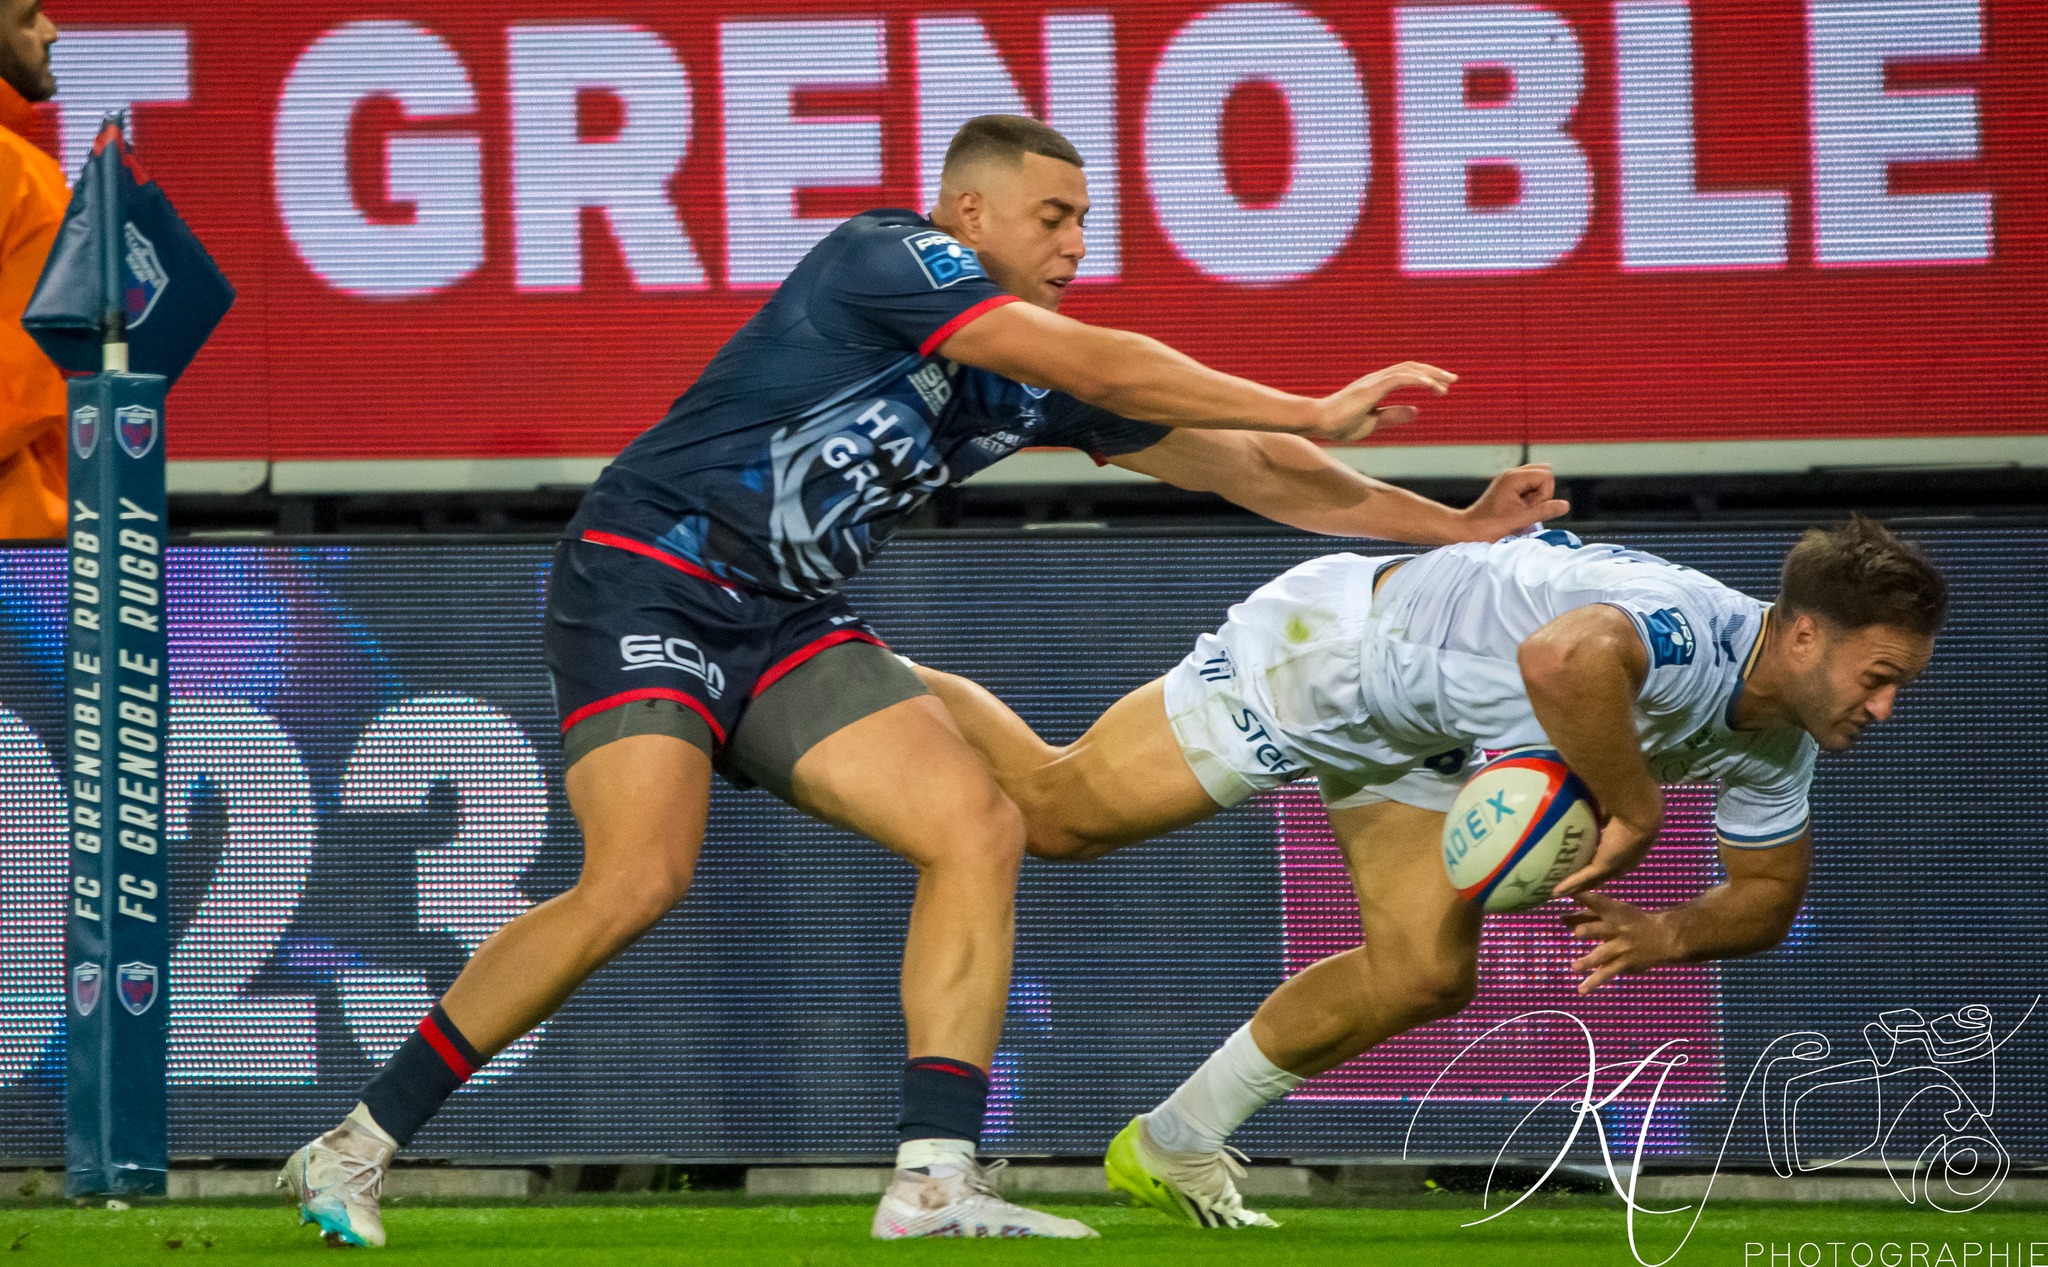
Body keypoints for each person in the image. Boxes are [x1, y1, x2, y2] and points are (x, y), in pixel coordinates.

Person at [281, 112, 1567, 1246]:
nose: (1074, 242)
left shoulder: (1022, 376)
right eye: (1052, 216)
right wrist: (1312, 402)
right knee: (638, 878)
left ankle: (932, 1178)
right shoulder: (888, 257)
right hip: (644, 578)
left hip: (785, 620)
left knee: (977, 828)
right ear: (969, 213)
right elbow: (1124, 372)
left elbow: (1244, 470)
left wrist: (1446, 525)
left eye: (1083, 221)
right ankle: (353, 1144)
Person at [915, 516, 1946, 1227]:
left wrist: (1669, 932)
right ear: (1803, 633)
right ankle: (844, 670)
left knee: (1421, 972)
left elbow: (1767, 894)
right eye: (1877, 678)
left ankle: (1171, 1143)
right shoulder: (1692, 635)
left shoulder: (1781, 738)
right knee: (1057, 817)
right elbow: (1560, 661)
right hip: (1343, 652)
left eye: (1900, 685)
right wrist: (1634, 805)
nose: (1884, 709)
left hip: (1431, 733)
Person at [0, 0, 67, 541]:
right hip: (14, 542)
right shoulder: (21, 179)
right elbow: (26, 381)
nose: (50, 32)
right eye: (28, 15)